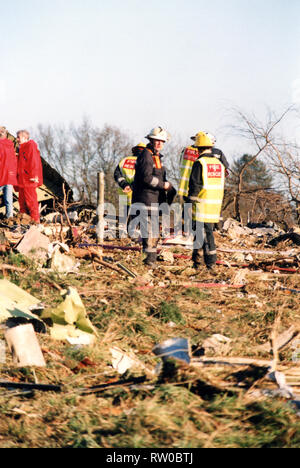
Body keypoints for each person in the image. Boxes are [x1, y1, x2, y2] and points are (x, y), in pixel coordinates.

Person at [132, 127, 174, 267]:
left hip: (154, 199)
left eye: (161, 142)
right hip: (146, 200)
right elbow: (147, 178)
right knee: (150, 230)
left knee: (153, 230)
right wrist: (164, 185)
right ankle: (149, 261)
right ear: (150, 140)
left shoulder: (155, 157)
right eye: (156, 141)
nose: (159, 144)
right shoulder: (146, 156)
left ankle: (150, 259)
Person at [179, 131, 229, 236]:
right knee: (207, 225)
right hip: (211, 193)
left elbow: (181, 165)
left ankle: (186, 231)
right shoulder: (217, 155)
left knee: (192, 215)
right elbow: (225, 169)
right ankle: (217, 230)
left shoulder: (186, 150)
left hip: (191, 188)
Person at [188, 132, 225, 271]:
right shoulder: (219, 164)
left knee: (200, 235)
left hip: (201, 207)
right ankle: (209, 263)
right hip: (214, 207)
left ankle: (203, 263)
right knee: (208, 234)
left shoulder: (200, 163)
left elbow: (195, 185)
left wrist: (188, 204)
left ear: (198, 148)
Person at [114, 143, 146, 222]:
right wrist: (131, 186)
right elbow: (144, 177)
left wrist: (125, 185)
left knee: (123, 220)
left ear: (134, 150)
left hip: (124, 194)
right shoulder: (144, 162)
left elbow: (117, 174)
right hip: (138, 195)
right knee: (137, 221)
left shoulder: (124, 160)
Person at [16, 130, 43, 223]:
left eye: (18, 137)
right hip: (22, 180)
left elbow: (34, 161)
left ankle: (36, 221)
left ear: (25, 137)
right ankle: (24, 222)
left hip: (29, 179)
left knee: (31, 202)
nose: (17, 139)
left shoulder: (30, 146)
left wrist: (35, 175)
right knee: (22, 203)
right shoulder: (21, 148)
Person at [0, 127, 18, 219]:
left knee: (8, 199)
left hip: (6, 175)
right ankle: (9, 217)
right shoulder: (9, 145)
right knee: (8, 199)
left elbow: (13, 160)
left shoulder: (9, 144)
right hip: (5, 175)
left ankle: (9, 218)